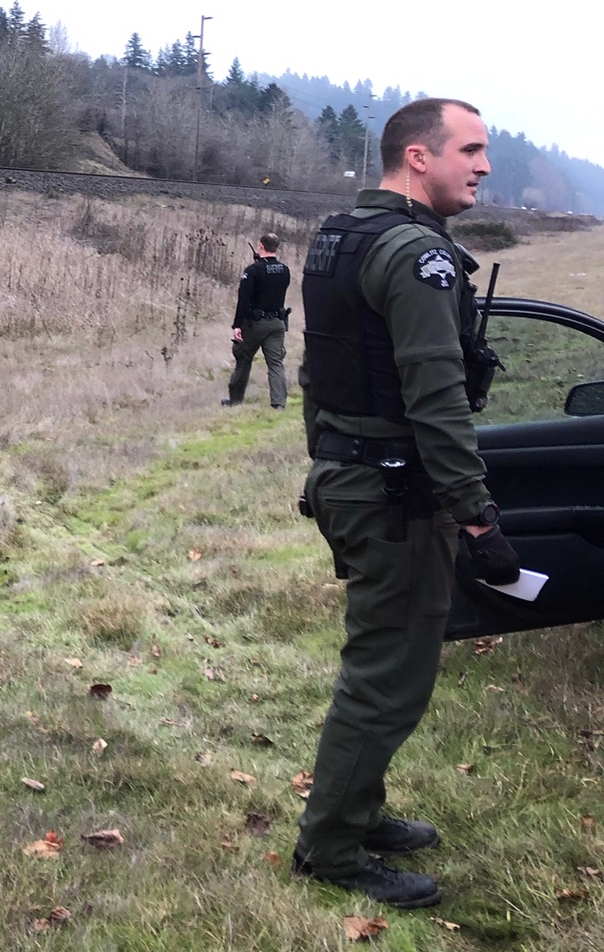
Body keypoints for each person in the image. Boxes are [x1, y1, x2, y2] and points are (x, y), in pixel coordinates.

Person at [292, 98, 520, 908]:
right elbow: (437, 397)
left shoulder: (341, 237)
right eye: (471, 150)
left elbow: (320, 373)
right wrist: (477, 514)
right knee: (387, 677)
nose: (483, 166)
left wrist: (325, 462)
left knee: (380, 666)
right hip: (394, 492)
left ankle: (356, 812)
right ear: (418, 158)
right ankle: (331, 849)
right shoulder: (419, 255)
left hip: (351, 477)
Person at [224, 232, 291, 408]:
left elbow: (244, 300)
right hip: (277, 323)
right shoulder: (285, 270)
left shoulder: (252, 271)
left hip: (255, 324)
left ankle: (235, 400)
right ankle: (279, 404)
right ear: (276, 247)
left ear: (260, 245)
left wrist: (237, 325)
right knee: (276, 363)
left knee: (243, 358)